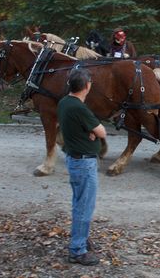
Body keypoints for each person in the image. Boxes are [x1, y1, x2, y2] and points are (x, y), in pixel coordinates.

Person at [57, 68, 107, 266]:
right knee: (84, 207)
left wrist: (90, 132)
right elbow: (102, 131)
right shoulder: (79, 108)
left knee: (80, 203)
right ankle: (77, 250)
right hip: (83, 163)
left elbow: (82, 128)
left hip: (75, 159)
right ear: (86, 86)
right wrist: (94, 131)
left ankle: (81, 237)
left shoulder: (65, 102)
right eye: (90, 83)